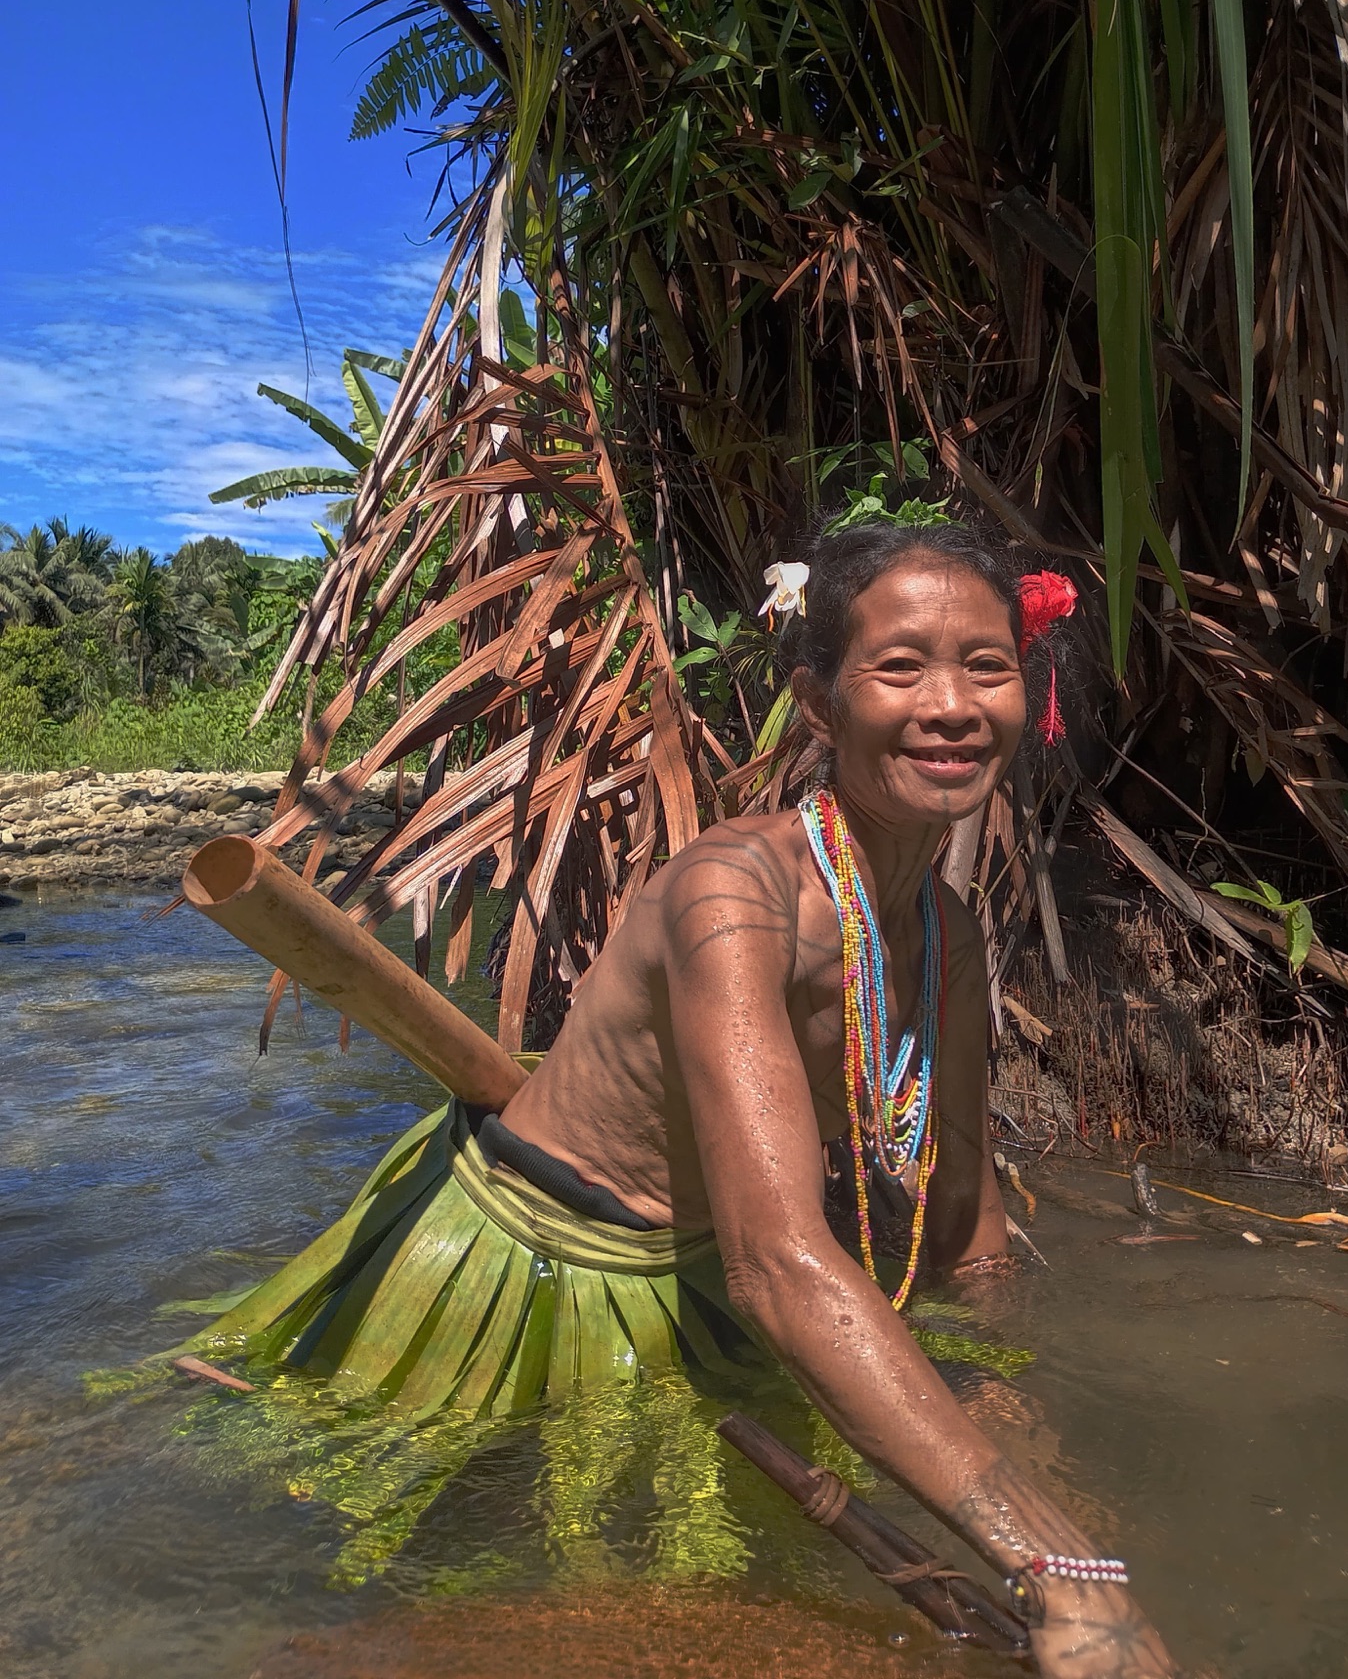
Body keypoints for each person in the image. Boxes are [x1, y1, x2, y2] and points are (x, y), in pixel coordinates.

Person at [179, 517, 1174, 1675]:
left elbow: (968, 1223)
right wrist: (1056, 1561)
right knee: (445, 1580)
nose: (950, 703)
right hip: (531, 1265)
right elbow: (780, 1264)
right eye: (900, 665)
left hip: (702, 1280)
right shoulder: (731, 892)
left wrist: (1029, 1433)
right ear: (818, 701)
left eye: (986, 666)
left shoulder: (940, 927)